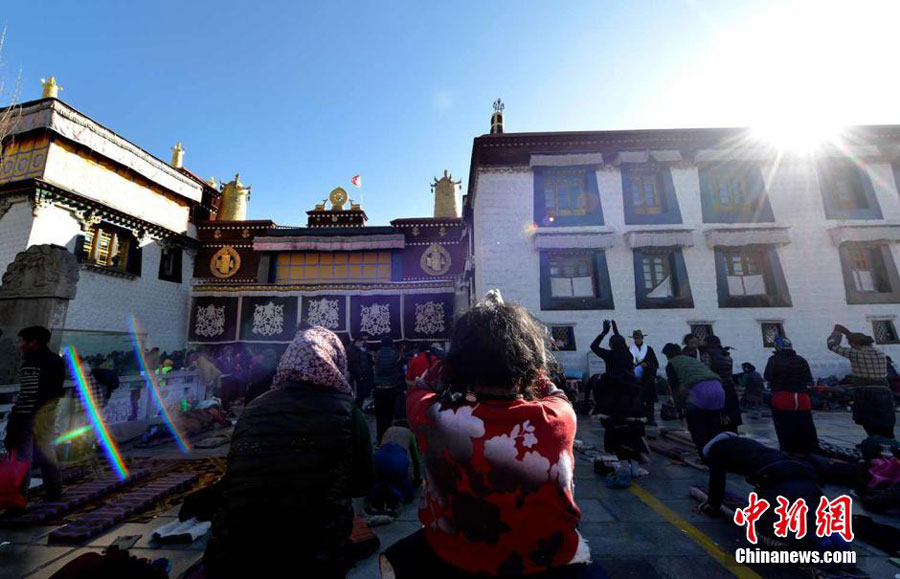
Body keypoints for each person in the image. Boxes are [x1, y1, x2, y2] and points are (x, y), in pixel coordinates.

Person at [383, 291, 593, 577]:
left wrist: (462, 351)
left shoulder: (434, 417)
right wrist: (514, 343)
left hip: (458, 554)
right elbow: (547, 385)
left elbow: (422, 385)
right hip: (550, 556)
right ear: (530, 361)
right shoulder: (559, 416)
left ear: (459, 364)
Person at [201, 326, 373, 578]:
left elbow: (237, 475)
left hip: (241, 545)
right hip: (316, 549)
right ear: (335, 360)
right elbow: (361, 483)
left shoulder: (254, 409)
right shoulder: (348, 413)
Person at [696, 432, 851, 560]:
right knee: (814, 518)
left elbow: (717, 483)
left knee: (774, 528)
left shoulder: (717, 453)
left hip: (781, 484)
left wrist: (712, 506)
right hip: (806, 477)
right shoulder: (749, 445)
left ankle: (817, 542)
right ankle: (838, 541)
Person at [3, 326, 65, 501]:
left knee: (23, 459)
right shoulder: (57, 361)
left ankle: (19, 498)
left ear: (33, 343)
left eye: (22, 341)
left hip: (29, 416)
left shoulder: (32, 363)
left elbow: (28, 395)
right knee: (47, 453)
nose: (20, 345)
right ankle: (54, 492)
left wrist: (16, 417)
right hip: (47, 414)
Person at [590, 320, 647, 462]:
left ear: (611, 345)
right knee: (630, 420)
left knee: (612, 421)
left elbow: (593, 346)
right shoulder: (628, 355)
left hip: (613, 389)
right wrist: (616, 331)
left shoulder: (610, 355)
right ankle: (633, 450)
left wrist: (604, 332)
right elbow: (622, 345)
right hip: (630, 388)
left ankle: (617, 449)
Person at [827, 324, 893, 439]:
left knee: (869, 423)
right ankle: (889, 445)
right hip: (884, 391)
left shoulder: (856, 353)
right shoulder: (880, 353)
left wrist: (837, 332)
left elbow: (832, 345)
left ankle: (874, 444)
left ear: (855, 344)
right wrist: (849, 334)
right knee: (885, 422)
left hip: (865, 392)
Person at [661, 343, 726, 454]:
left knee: (697, 429)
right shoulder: (692, 360)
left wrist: (679, 408)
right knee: (713, 428)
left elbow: (675, 389)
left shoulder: (672, 364)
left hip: (700, 394)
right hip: (718, 391)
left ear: (667, 355)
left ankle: (705, 456)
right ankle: (718, 455)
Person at [764, 337, 818, 454]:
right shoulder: (801, 359)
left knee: (784, 426)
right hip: (802, 398)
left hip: (782, 397)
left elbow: (767, 376)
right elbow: (809, 379)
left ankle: (789, 451)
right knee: (805, 425)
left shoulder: (774, 360)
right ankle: (810, 451)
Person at [365, 419, 422, 518]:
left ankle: (375, 498)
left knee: (380, 480)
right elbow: (417, 461)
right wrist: (417, 479)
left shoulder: (389, 430)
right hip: (397, 462)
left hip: (378, 458)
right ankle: (395, 499)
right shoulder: (410, 434)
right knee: (405, 490)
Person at [701, 335, 741, 432]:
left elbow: (706, 372)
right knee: (731, 417)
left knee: (717, 420)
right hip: (729, 388)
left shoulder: (707, 355)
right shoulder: (727, 355)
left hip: (715, 388)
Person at [374, 337, 403, 441]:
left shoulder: (377, 354)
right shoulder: (395, 354)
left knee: (379, 415)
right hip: (391, 388)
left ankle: (380, 437)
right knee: (390, 414)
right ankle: (388, 437)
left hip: (378, 388)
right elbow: (398, 369)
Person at [630, 330, 659, 426]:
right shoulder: (630, 349)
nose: (637, 340)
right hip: (635, 378)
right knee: (638, 400)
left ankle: (651, 418)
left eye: (639, 338)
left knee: (649, 400)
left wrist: (647, 364)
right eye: (636, 338)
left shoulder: (649, 349)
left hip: (648, 377)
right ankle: (641, 418)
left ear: (642, 338)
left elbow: (655, 363)